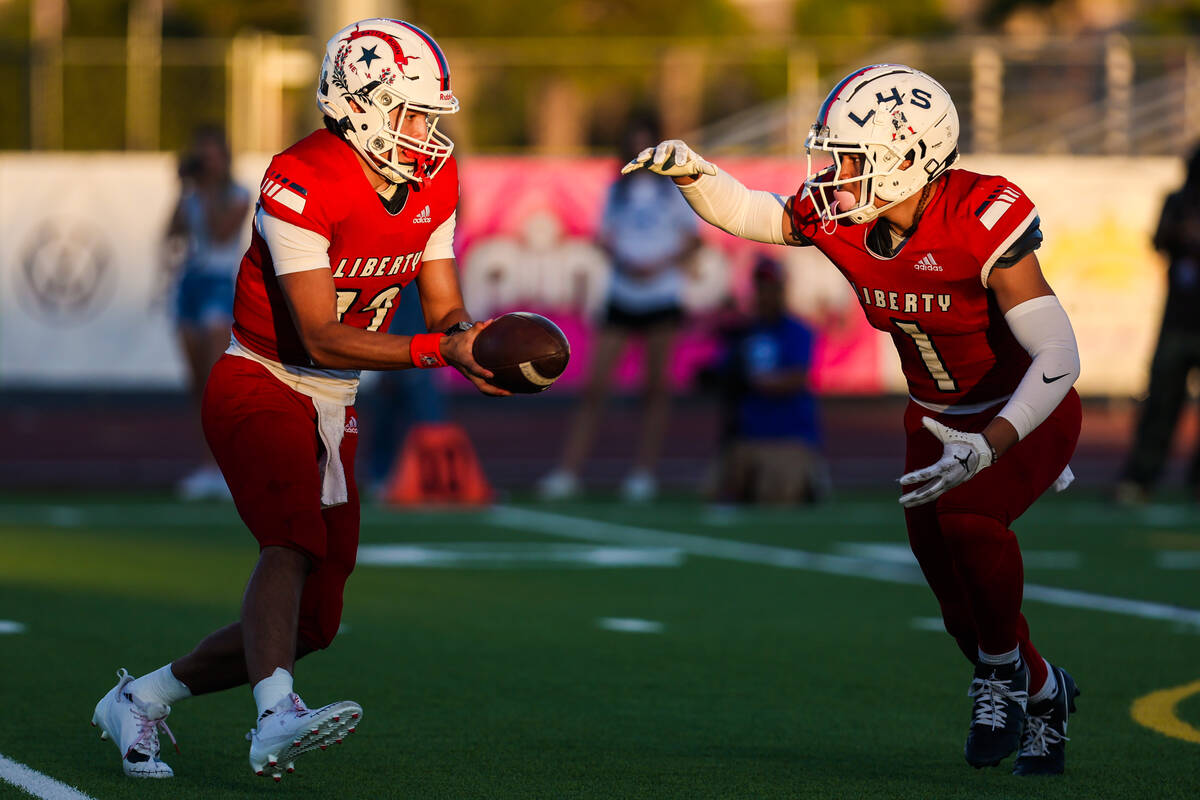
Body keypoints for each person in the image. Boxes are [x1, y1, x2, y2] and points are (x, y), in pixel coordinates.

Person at [624, 64, 1082, 775]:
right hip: (931, 419)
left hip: (1024, 407)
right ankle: (1046, 689)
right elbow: (757, 214)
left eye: (852, 159)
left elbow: (1058, 352)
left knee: (969, 519)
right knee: (960, 610)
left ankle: (999, 678)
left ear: (911, 158)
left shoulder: (979, 214)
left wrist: (999, 440)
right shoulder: (846, 218)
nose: (834, 174)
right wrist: (694, 175)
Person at [91, 19, 505, 781]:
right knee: (290, 541)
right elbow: (317, 332)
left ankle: (142, 698)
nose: (426, 134)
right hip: (260, 377)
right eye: (413, 113)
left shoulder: (435, 180)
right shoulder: (301, 177)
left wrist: (473, 344)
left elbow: (443, 306)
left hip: (335, 397)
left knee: (316, 619)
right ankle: (276, 713)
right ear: (362, 103)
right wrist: (434, 350)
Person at [537, 117, 702, 502]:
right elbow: (603, 238)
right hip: (622, 295)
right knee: (594, 389)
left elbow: (693, 241)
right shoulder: (616, 192)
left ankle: (643, 473)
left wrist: (657, 266)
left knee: (656, 391)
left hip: (662, 297)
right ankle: (569, 471)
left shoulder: (675, 192)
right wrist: (628, 265)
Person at [166, 125, 251, 500]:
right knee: (198, 383)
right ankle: (207, 464)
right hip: (191, 281)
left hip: (219, 282)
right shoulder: (193, 196)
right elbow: (171, 232)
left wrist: (204, 190)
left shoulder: (236, 194)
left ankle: (232, 465)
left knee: (219, 381)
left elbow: (220, 232)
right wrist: (184, 189)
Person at [705, 254, 827, 504]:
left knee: (776, 495)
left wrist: (754, 381)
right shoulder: (743, 331)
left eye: (772, 288)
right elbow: (722, 374)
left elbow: (797, 378)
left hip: (789, 437)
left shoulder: (798, 331)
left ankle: (809, 480)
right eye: (762, 288)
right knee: (714, 493)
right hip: (748, 436)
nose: (766, 294)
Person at [1116, 146, 1200, 503]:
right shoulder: (1178, 201)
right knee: (1161, 403)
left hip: (1183, 323)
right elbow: (1158, 241)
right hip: (1178, 322)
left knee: (1162, 403)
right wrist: (1183, 232)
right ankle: (1141, 477)